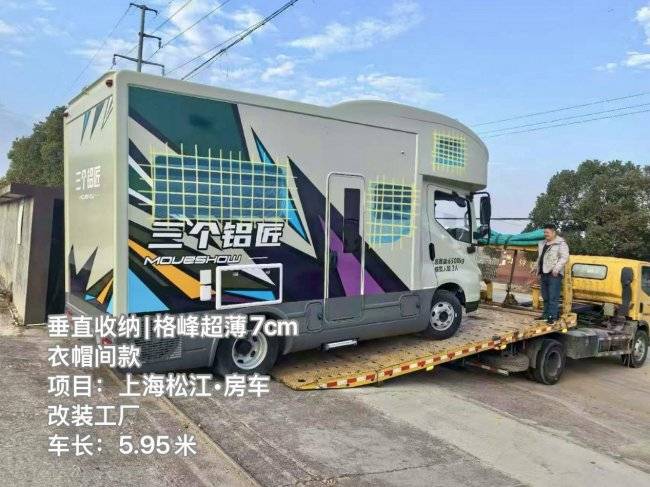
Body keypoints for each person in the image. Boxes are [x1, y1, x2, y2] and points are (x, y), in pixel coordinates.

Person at [534, 224, 569, 324]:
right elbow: (540, 257)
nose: (545, 234)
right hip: (543, 273)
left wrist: (557, 268)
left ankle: (553, 317)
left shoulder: (561, 243)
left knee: (553, 296)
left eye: (547, 232)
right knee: (545, 296)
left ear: (554, 232)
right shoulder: (543, 243)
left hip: (554, 274)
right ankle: (545, 315)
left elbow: (564, 257)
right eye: (544, 232)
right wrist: (535, 267)